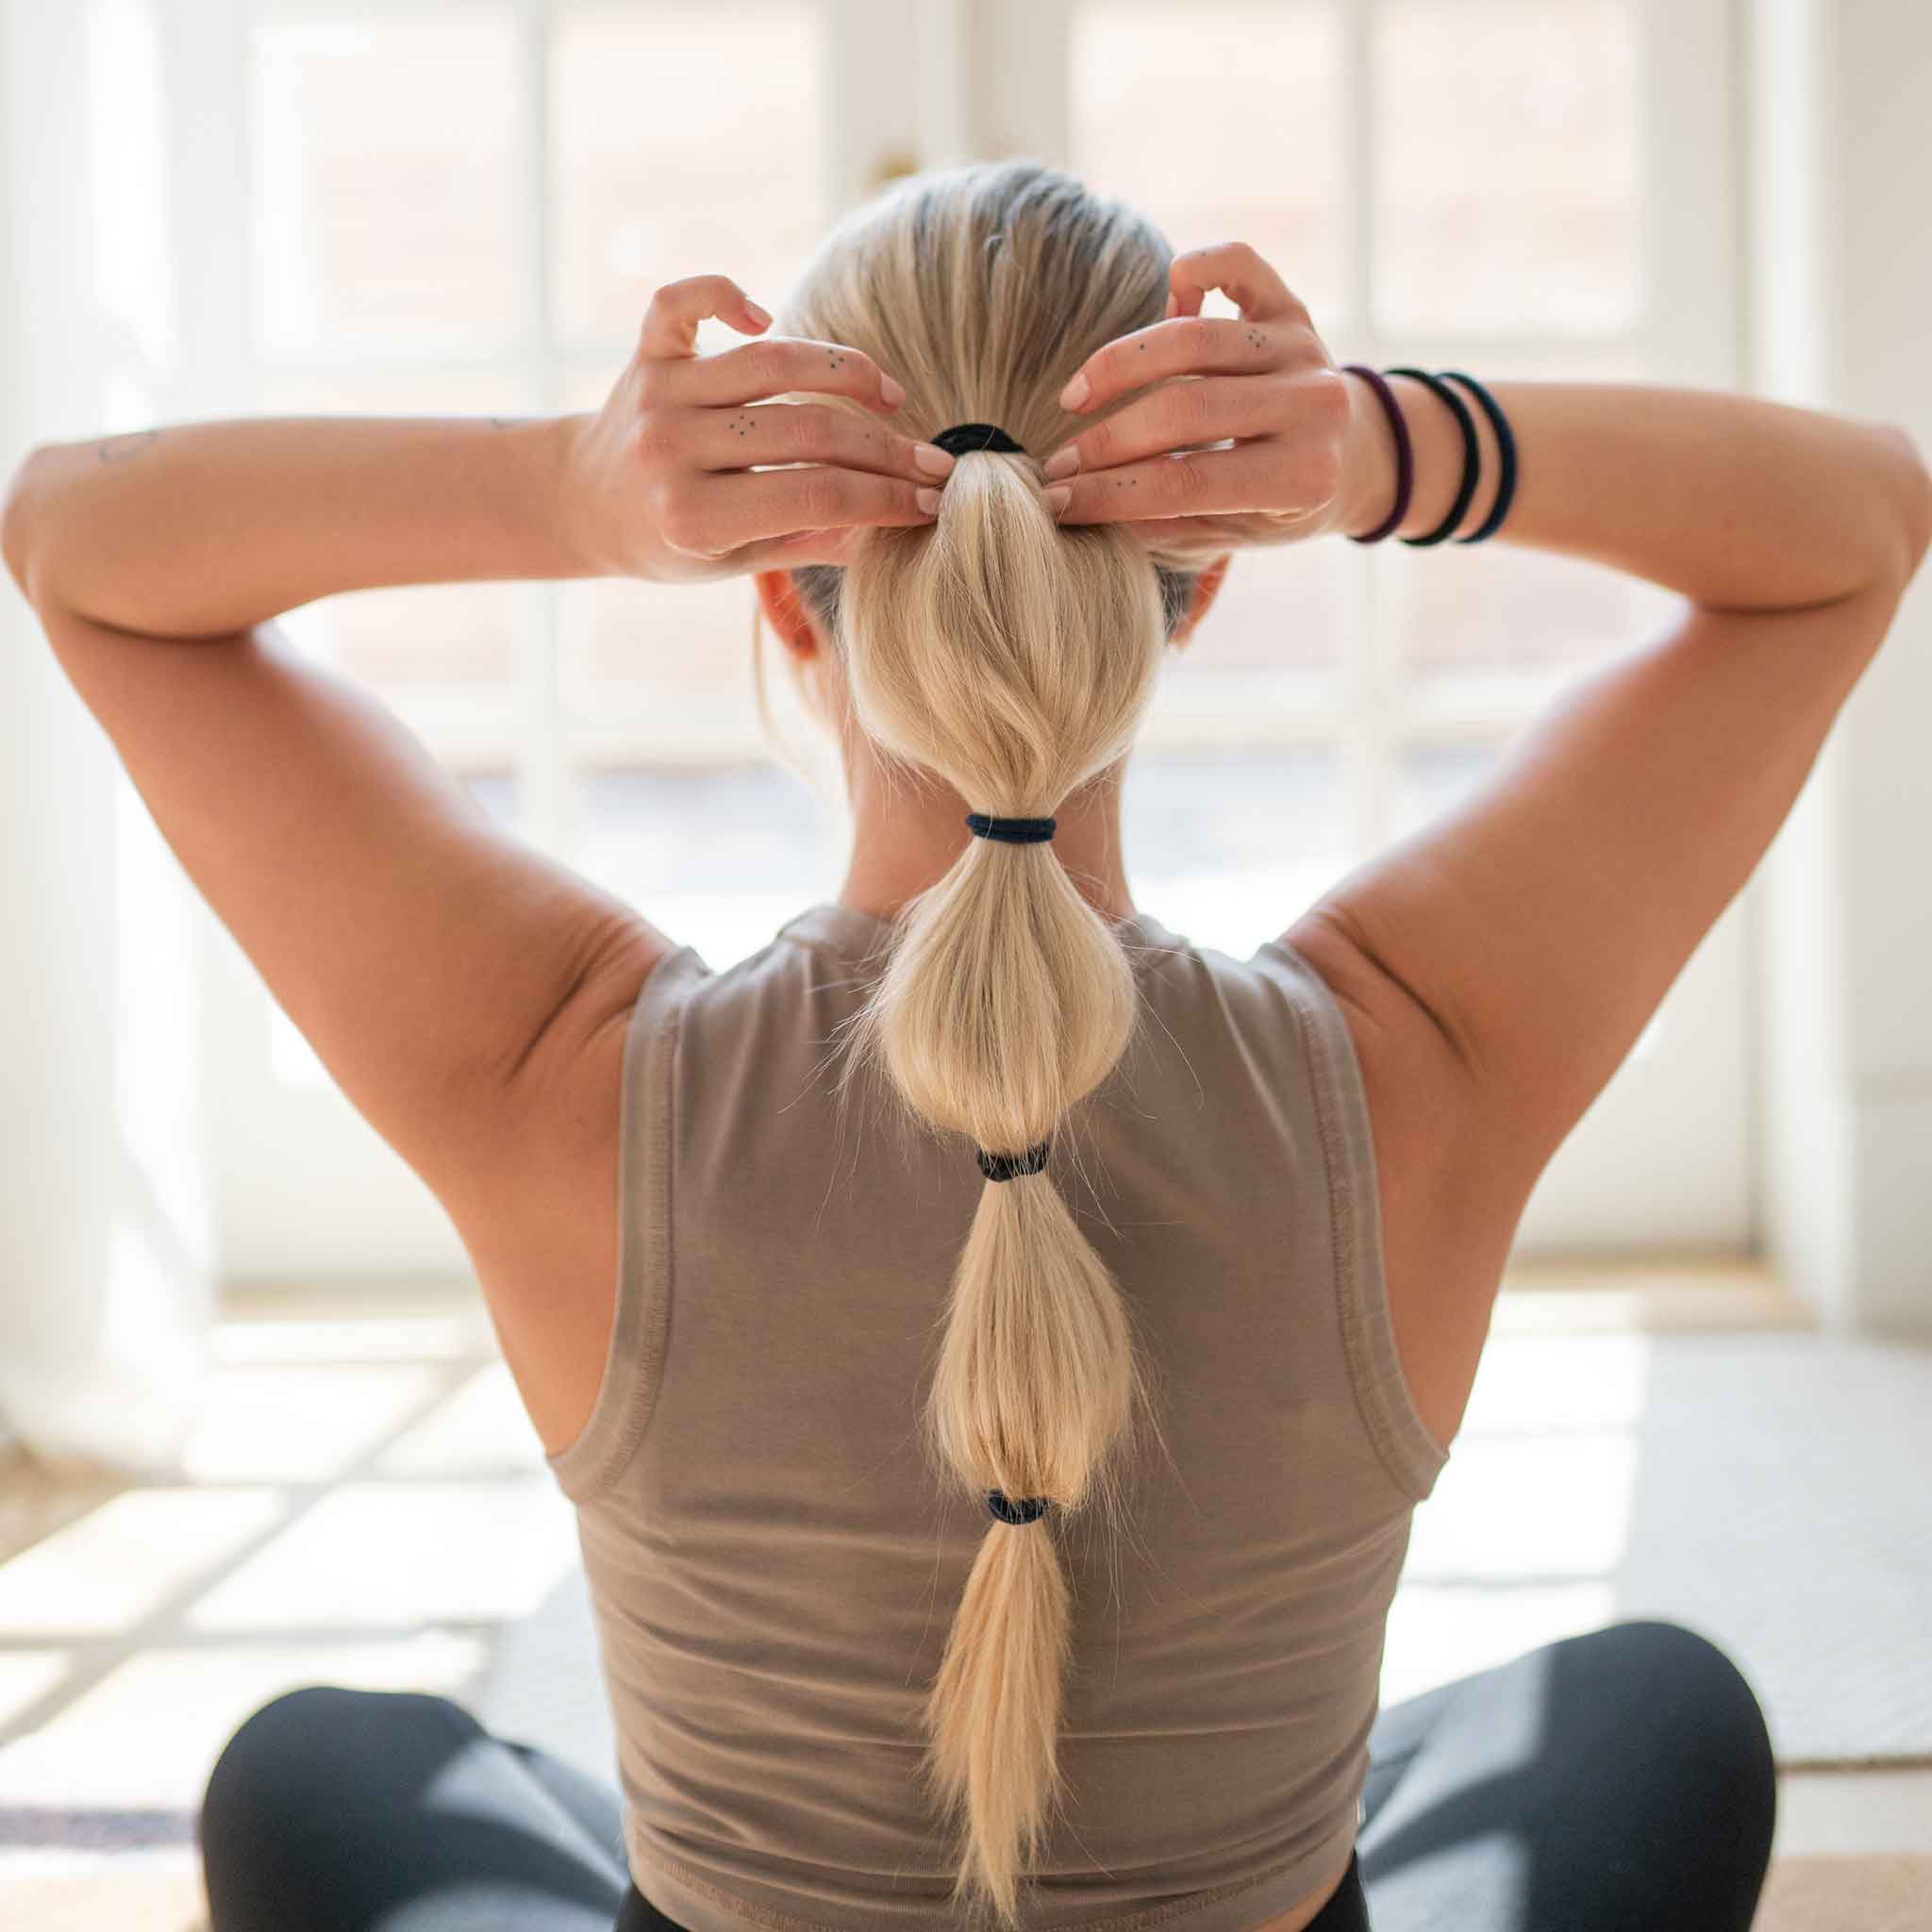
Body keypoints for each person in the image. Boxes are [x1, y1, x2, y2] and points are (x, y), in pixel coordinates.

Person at [7, 158, 1926, 1932]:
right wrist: (1373, 445)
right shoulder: (1408, 1058)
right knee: (1644, 1702)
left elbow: (77, 541)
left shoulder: (567, 1073)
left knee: (329, 1760)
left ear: (778, 590)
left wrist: (564, 491)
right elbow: (1858, 523)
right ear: (1204, 578)